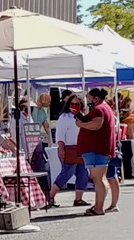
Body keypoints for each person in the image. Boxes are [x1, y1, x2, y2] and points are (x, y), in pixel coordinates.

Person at [76, 88, 117, 216]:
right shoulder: (106, 108)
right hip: (99, 148)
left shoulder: (99, 109)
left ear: (95, 98)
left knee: (98, 178)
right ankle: (98, 205)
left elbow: (96, 125)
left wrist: (81, 124)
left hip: (95, 149)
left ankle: (99, 207)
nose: (87, 100)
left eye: (89, 98)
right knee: (99, 178)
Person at [48, 95, 90, 206]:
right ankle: (50, 196)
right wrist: (61, 149)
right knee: (66, 173)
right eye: (73, 104)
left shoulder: (82, 116)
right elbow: (60, 135)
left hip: (81, 149)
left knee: (83, 174)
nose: (75, 106)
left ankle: (78, 199)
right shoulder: (64, 117)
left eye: (78, 104)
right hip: (68, 148)